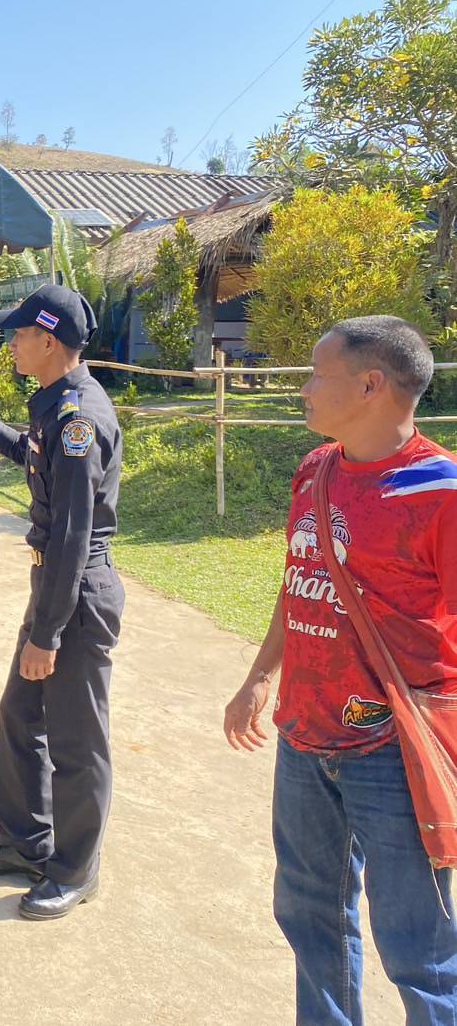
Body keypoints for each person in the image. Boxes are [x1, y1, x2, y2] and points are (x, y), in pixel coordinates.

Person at [223, 315, 457, 1022]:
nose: (303, 389)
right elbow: (301, 578)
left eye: (316, 374)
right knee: (309, 916)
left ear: (369, 385)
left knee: (420, 947)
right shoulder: (315, 470)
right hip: (303, 735)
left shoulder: (440, 492)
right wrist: (260, 676)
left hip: (393, 750)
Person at [0, 284, 124, 921]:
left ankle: (74, 871)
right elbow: (27, 452)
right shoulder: (56, 407)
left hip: (78, 594)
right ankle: (25, 843)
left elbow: (72, 536)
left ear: (48, 340)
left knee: (77, 739)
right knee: (21, 717)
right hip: (55, 588)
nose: (11, 345)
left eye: (18, 335)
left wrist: (47, 635)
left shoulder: (79, 421)